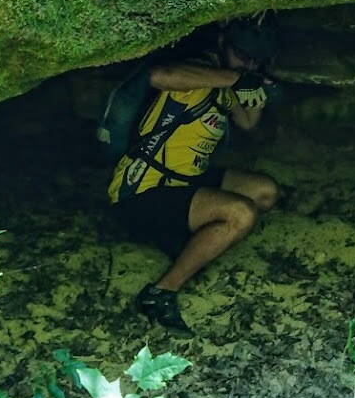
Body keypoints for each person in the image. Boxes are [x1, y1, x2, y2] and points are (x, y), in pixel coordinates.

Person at [107, 20, 281, 332]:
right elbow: (160, 76)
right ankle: (161, 292)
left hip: (186, 180)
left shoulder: (230, 83)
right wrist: (237, 77)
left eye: (255, 60)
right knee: (240, 214)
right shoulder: (201, 70)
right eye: (242, 55)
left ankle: (190, 242)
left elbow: (248, 122)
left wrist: (255, 84)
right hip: (141, 192)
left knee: (264, 191)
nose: (247, 64)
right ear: (222, 43)